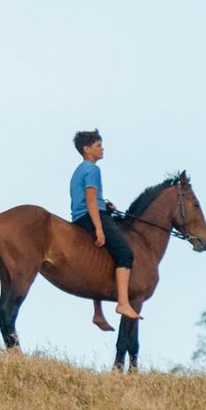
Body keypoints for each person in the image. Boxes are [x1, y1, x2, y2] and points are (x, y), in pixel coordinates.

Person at [70, 129, 138, 330]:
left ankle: (98, 313)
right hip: (92, 217)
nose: (102, 149)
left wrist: (106, 206)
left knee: (102, 257)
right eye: (98, 145)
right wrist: (99, 227)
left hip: (80, 217)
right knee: (125, 254)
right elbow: (90, 199)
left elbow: (88, 198)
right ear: (87, 149)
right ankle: (123, 303)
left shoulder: (79, 170)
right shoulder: (92, 170)